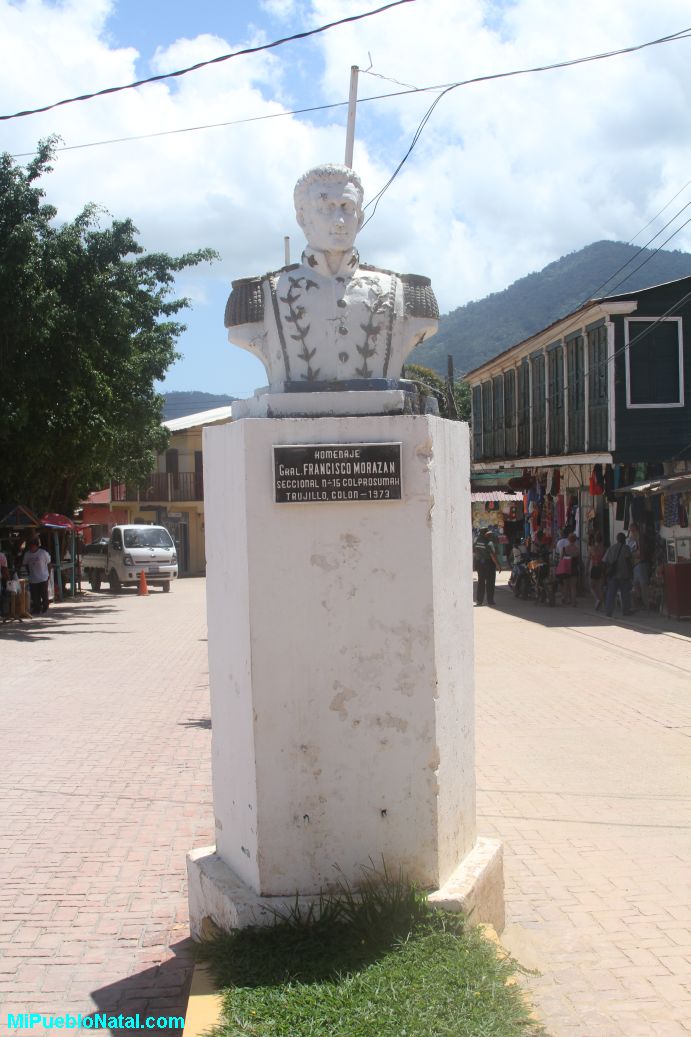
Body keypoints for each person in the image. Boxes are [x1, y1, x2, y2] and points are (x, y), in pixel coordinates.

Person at [225, 164, 439, 390]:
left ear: (360, 217)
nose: (339, 220)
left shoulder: (409, 294)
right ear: (302, 217)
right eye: (326, 208)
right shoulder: (257, 297)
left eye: (347, 208)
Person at [602, 532, 634, 617]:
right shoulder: (626, 548)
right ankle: (626, 611)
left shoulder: (611, 548)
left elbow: (604, 561)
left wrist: (607, 572)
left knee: (611, 593)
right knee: (625, 594)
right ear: (623, 539)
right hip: (624, 574)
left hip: (613, 575)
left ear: (617, 539)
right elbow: (628, 561)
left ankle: (608, 611)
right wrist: (631, 572)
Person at [22, 537, 52, 615]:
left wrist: (48, 573)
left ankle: (45, 607)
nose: (31, 547)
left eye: (33, 546)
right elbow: (26, 564)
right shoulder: (27, 554)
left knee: (44, 594)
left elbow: (49, 563)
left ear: (37, 546)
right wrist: (29, 573)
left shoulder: (43, 553)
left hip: (43, 577)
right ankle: (37, 608)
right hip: (33, 578)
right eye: (30, 546)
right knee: (35, 595)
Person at [473, 528, 501, 606]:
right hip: (488, 564)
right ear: (485, 534)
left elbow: (474, 552)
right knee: (490, 583)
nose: (489, 535)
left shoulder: (476, 541)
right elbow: (492, 556)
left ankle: (479, 601)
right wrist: (498, 565)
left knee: (481, 582)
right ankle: (490, 600)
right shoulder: (489, 543)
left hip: (479, 563)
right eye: (488, 534)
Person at [626, 523, 649, 609]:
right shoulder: (632, 537)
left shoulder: (639, 537)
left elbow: (641, 552)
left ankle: (646, 604)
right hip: (634, 564)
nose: (630, 531)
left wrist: (632, 555)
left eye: (631, 529)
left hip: (640, 563)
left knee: (643, 585)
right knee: (636, 585)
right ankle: (640, 603)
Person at [588, 532, 605, 611]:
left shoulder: (592, 548)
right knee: (599, 587)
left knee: (592, 586)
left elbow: (588, 559)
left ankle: (597, 599)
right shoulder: (603, 548)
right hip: (601, 568)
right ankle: (602, 604)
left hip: (594, 567)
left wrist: (587, 569)